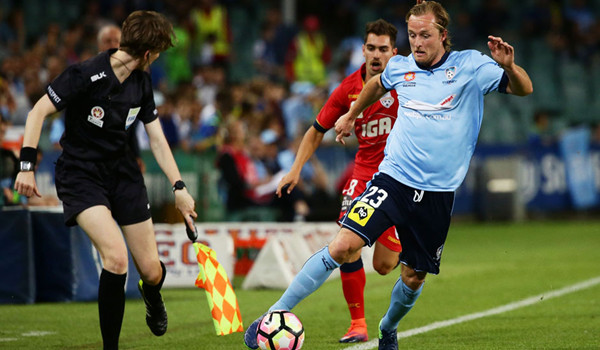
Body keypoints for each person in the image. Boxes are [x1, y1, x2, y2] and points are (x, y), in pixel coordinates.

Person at [244, 1, 533, 349]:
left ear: (443, 35)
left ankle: (387, 327)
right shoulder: (402, 66)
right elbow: (376, 84)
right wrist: (352, 114)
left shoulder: (471, 65)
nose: (418, 42)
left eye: (425, 35)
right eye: (412, 35)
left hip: (438, 194)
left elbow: (523, 88)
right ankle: (271, 316)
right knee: (342, 245)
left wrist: (510, 67)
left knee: (412, 276)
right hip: (392, 180)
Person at [14, 11, 197, 350]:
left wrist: (179, 188)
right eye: (158, 52)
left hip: (123, 175)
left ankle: (152, 295)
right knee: (115, 258)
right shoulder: (83, 74)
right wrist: (26, 165)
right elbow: (36, 111)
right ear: (147, 53)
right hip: (81, 175)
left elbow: (157, 139)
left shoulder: (143, 82)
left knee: (152, 272)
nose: (157, 58)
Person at [275, 18, 402, 343]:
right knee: (347, 248)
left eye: (383, 49)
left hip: (400, 179)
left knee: (386, 265)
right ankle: (357, 323)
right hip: (363, 179)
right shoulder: (347, 89)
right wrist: (295, 169)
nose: (376, 55)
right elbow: (315, 131)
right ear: (362, 50)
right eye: (371, 48)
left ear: (394, 52)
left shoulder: (407, 80)